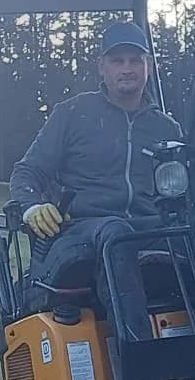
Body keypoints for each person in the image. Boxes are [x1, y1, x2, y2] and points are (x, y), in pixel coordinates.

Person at [9, 21, 182, 345]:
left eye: (135, 60)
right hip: (82, 231)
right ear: (102, 67)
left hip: (148, 230)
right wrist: (32, 206)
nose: (127, 69)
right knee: (116, 232)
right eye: (118, 61)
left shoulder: (166, 128)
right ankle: (141, 364)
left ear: (149, 65)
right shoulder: (73, 114)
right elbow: (26, 172)